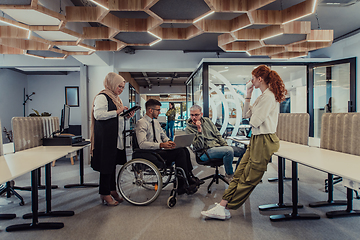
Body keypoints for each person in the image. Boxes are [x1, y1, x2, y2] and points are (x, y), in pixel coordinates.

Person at [201, 65, 287, 220]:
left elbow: (253, 121)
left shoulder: (268, 96)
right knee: (239, 173)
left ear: (259, 79)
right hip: (256, 139)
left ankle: (226, 206)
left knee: (249, 178)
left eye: (252, 78)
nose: (250, 81)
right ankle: (222, 205)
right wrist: (248, 94)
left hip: (264, 140)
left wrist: (252, 116)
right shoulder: (262, 96)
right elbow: (246, 114)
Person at [135, 99, 203, 194]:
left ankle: (188, 177)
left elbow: (163, 136)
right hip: (151, 153)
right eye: (158, 110)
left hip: (159, 150)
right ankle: (182, 184)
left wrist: (169, 142)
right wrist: (161, 145)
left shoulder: (156, 122)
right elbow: (142, 144)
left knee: (184, 149)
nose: (160, 112)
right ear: (150, 110)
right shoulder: (141, 123)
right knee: (180, 153)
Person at [90, 72, 135, 206]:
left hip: (115, 136)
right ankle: (104, 193)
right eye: (119, 86)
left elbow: (116, 118)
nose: (120, 90)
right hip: (105, 138)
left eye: (122, 87)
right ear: (112, 84)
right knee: (106, 166)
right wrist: (117, 111)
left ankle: (112, 189)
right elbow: (98, 115)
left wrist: (126, 116)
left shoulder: (116, 98)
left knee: (112, 164)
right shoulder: (102, 97)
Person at [185, 105, 246, 182]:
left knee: (244, 152)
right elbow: (199, 146)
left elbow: (217, 134)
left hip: (217, 147)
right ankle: (229, 175)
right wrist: (199, 130)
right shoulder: (189, 129)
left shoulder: (207, 121)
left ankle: (237, 175)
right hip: (205, 152)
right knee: (228, 151)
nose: (194, 117)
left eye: (196, 115)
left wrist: (224, 145)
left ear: (201, 114)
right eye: (192, 115)